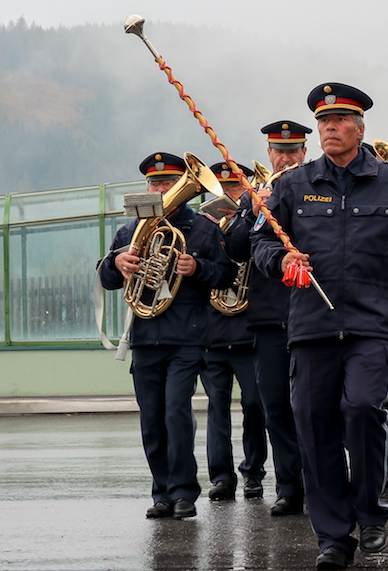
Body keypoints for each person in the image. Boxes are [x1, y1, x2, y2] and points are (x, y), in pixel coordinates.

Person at [251, 83, 388, 568]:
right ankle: (333, 536)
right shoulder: (293, 184)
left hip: (373, 326)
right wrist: (281, 257)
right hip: (310, 326)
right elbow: (262, 245)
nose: (330, 128)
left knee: (364, 410)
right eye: (323, 122)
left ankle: (370, 515)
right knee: (314, 426)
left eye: (339, 121)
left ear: (360, 128)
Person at [98, 152, 235, 520]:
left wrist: (197, 267)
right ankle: (161, 492)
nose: (160, 189)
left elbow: (226, 274)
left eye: (168, 183)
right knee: (152, 419)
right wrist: (116, 263)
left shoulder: (203, 229)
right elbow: (106, 276)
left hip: (187, 337)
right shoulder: (130, 231)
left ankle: (184, 492)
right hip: (145, 337)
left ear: (181, 187)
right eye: (154, 183)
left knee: (176, 412)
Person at [227, 119, 312, 517]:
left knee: (312, 406)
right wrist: (252, 210)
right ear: (268, 155)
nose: (285, 157)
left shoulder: (315, 189)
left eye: (293, 151)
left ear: (304, 154)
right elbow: (235, 250)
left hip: (309, 314)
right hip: (267, 317)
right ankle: (289, 486)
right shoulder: (250, 199)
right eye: (279, 151)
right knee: (274, 404)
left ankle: (320, 481)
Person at [201, 162, 268, 502]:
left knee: (255, 403)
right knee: (217, 406)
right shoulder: (202, 227)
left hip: (247, 329)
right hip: (212, 331)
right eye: (224, 190)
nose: (230, 195)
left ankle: (253, 471)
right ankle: (221, 477)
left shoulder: (256, 223)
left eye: (238, 189)